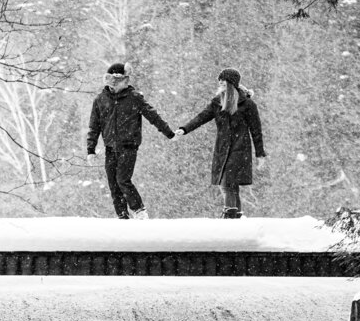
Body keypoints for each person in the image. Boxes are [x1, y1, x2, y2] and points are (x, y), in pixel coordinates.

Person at [86, 62, 176, 220]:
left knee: (122, 179)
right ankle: (122, 215)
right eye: (111, 82)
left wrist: (168, 132)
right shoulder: (100, 99)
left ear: (125, 81)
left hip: (129, 146)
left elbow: (152, 116)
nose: (114, 85)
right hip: (110, 148)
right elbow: (94, 126)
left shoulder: (134, 98)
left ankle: (139, 210)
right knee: (113, 183)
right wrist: (90, 149)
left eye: (117, 82)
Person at [174, 68, 267, 219]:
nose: (220, 83)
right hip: (222, 149)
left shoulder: (247, 104)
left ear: (232, 83)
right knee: (230, 185)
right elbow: (201, 117)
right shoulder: (217, 102)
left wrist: (260, 154)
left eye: (224, 80)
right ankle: (236, 215)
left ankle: (229, 214)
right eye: (220, 81)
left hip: (240, 149)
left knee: (228, 183)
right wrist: (184, 129)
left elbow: (256, 131)